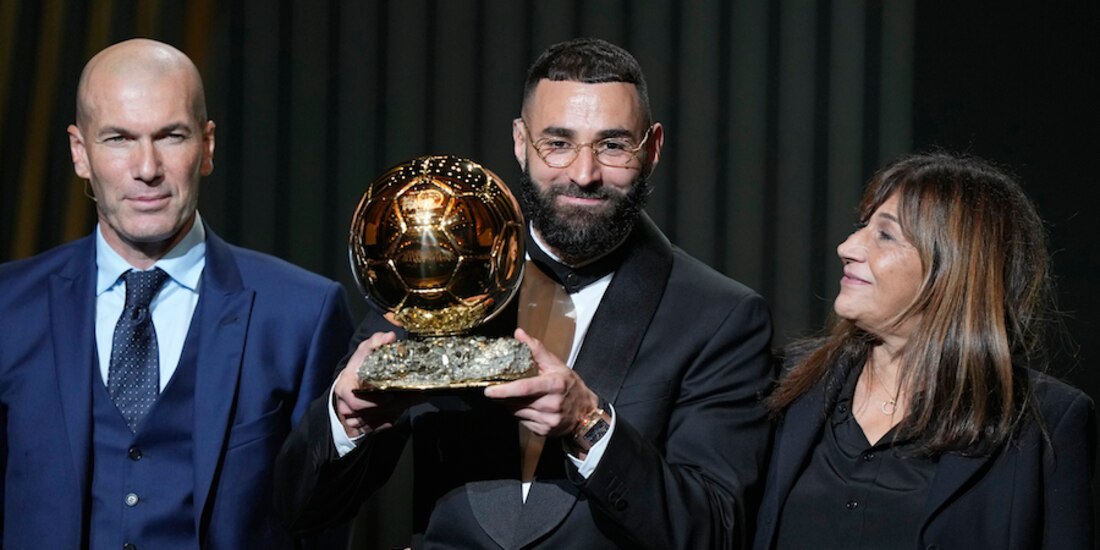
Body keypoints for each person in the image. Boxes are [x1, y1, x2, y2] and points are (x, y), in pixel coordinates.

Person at [275, 38, 774, 548]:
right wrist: (346, 418)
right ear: (520, 140)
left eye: (613, 145)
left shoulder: (721, 317)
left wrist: (588, 422)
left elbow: (717, 530)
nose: (584, 173)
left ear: (651, 148)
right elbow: (302, 508)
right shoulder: (440, 278)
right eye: (558, 143)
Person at [0, 38, 354, 548]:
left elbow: (324, 516)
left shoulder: (301, 314)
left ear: (207, 147)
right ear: (81, 153)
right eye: (119, 138)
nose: (147, 168)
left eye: (170, 136)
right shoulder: (10, 307)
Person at [753, 152, 1096, 549]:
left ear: (955, 267)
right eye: (861, 227)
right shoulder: (785, 382)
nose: (847, 247)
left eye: (885, 235)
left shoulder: (1044, 422)